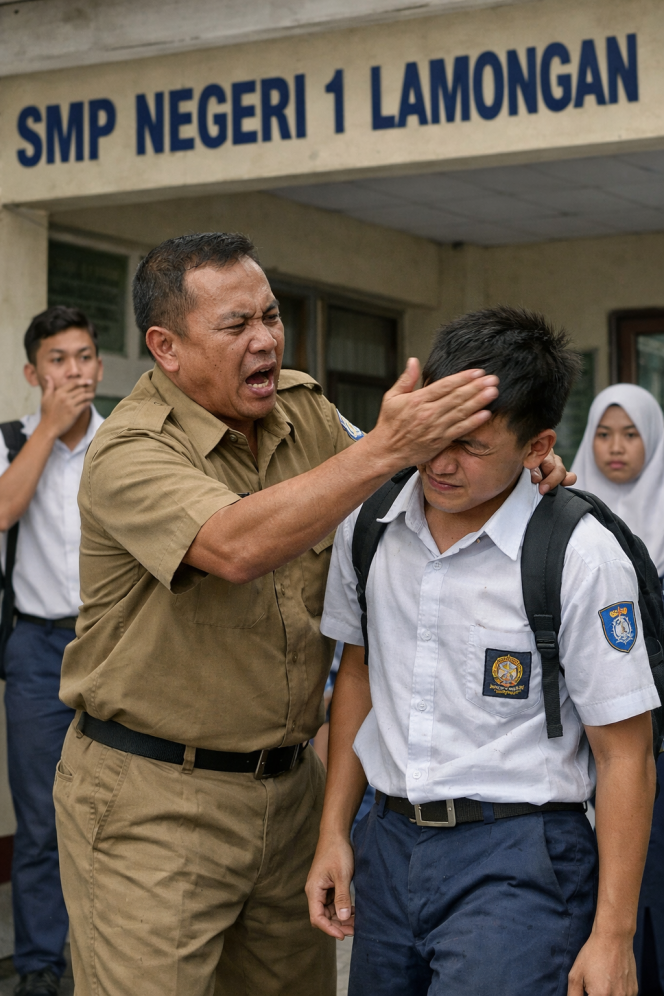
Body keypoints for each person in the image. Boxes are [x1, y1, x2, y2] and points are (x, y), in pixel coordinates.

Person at [52, 233, 571, 996]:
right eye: (236, 326)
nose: (265, 339)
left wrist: (523, 471)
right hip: (153, 802)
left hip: (290, 792)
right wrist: (390, 447)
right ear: (165, 346)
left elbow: (423, 484)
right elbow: (236, 544)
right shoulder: (129, 451)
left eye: (271, 315)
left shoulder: (304, 413)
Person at [307, 307, 660, 996]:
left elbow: (626, 754)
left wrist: (612, 935)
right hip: (388, 841)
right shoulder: (372, 525)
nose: (440, 462)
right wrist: (335, 831)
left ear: (538, 448)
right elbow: (358, 673)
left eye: (471, 445)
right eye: (433, 433)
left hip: (519, 862)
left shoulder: (580, 555)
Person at [0, 306, 104, 996]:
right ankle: (41, 966)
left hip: (111, 643)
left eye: (86, 357)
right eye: (59, 361)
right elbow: (3, 511)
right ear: (35, 374)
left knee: (113, 811)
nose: (75, 372)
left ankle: (109, 959)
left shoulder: (126, 441)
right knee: (40, 820)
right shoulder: (11, 443)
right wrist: (47, 431)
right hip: (36, 649)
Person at [571, 383, 664, 995]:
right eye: (604, 433)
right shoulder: (567, 516)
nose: (615, 448)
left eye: (630, 434)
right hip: (579, 753)